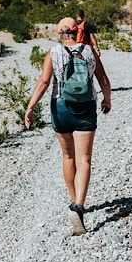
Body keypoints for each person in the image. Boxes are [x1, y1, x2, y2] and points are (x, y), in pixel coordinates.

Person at [24, 17, 111, 235]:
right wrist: (106, 100)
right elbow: (103, 80)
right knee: (85, 160)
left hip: (60, 105)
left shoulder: (53, 52)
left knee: (68, 157)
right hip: (86, 106)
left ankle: (74, 200)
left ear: (59, 33)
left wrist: (30, 106)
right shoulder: (89, 51)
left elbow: (44, 82)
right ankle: (78, 206)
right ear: (77, 32)